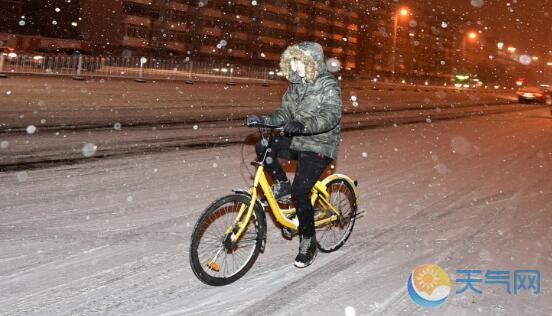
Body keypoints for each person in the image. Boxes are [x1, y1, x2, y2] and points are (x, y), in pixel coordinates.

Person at [246, 42, 342, 268]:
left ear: (311, 62)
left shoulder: (328, 85)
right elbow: (284, 114)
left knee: (301, 192)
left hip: (320, 144)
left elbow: (330, 116)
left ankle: (308, 242)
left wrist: (304, 124)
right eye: (293, 61)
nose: (295, 66)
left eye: (299, 61)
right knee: (263, 146)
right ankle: (282, 184)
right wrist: (263, 119)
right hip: (298, 140)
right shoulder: (295, 87)